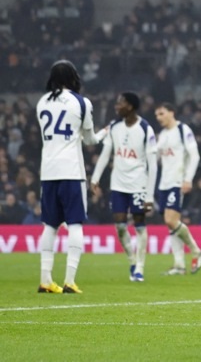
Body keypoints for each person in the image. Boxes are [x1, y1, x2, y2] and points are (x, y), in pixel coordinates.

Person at [36, 60, 102, 294]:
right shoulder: (81, 102)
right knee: (75, 223)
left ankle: (45, 280)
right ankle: (69, 281)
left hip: (48, 170)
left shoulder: (42, 102)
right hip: (72, 171)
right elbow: (90, 140)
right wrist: (104, 133)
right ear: (74, 77)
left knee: (50, 226)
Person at [90, 92, 158, 282]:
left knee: (139, 225)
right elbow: (105, 154)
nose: (117, 106)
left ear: (131, 106)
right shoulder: (114, 127)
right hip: (118, 184)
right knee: (120, 225)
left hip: (138, 184)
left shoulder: (145, 129)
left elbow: (153, 165)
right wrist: (95, 178)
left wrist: (149, 196)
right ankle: (132, 261)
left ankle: (140, 268)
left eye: (121, 103)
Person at [154, 102, 201, 275]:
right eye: (157, 115)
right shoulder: (163, 135)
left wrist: (188, 179)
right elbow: (156, 158)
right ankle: (179, 265)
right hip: (164, 183)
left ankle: (196, 250)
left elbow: (195, 156)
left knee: (171, 220)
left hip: (177, 181)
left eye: (161, 114)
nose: (159, 118)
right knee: (171, 224)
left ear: (171, 113)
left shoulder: (183, 130)